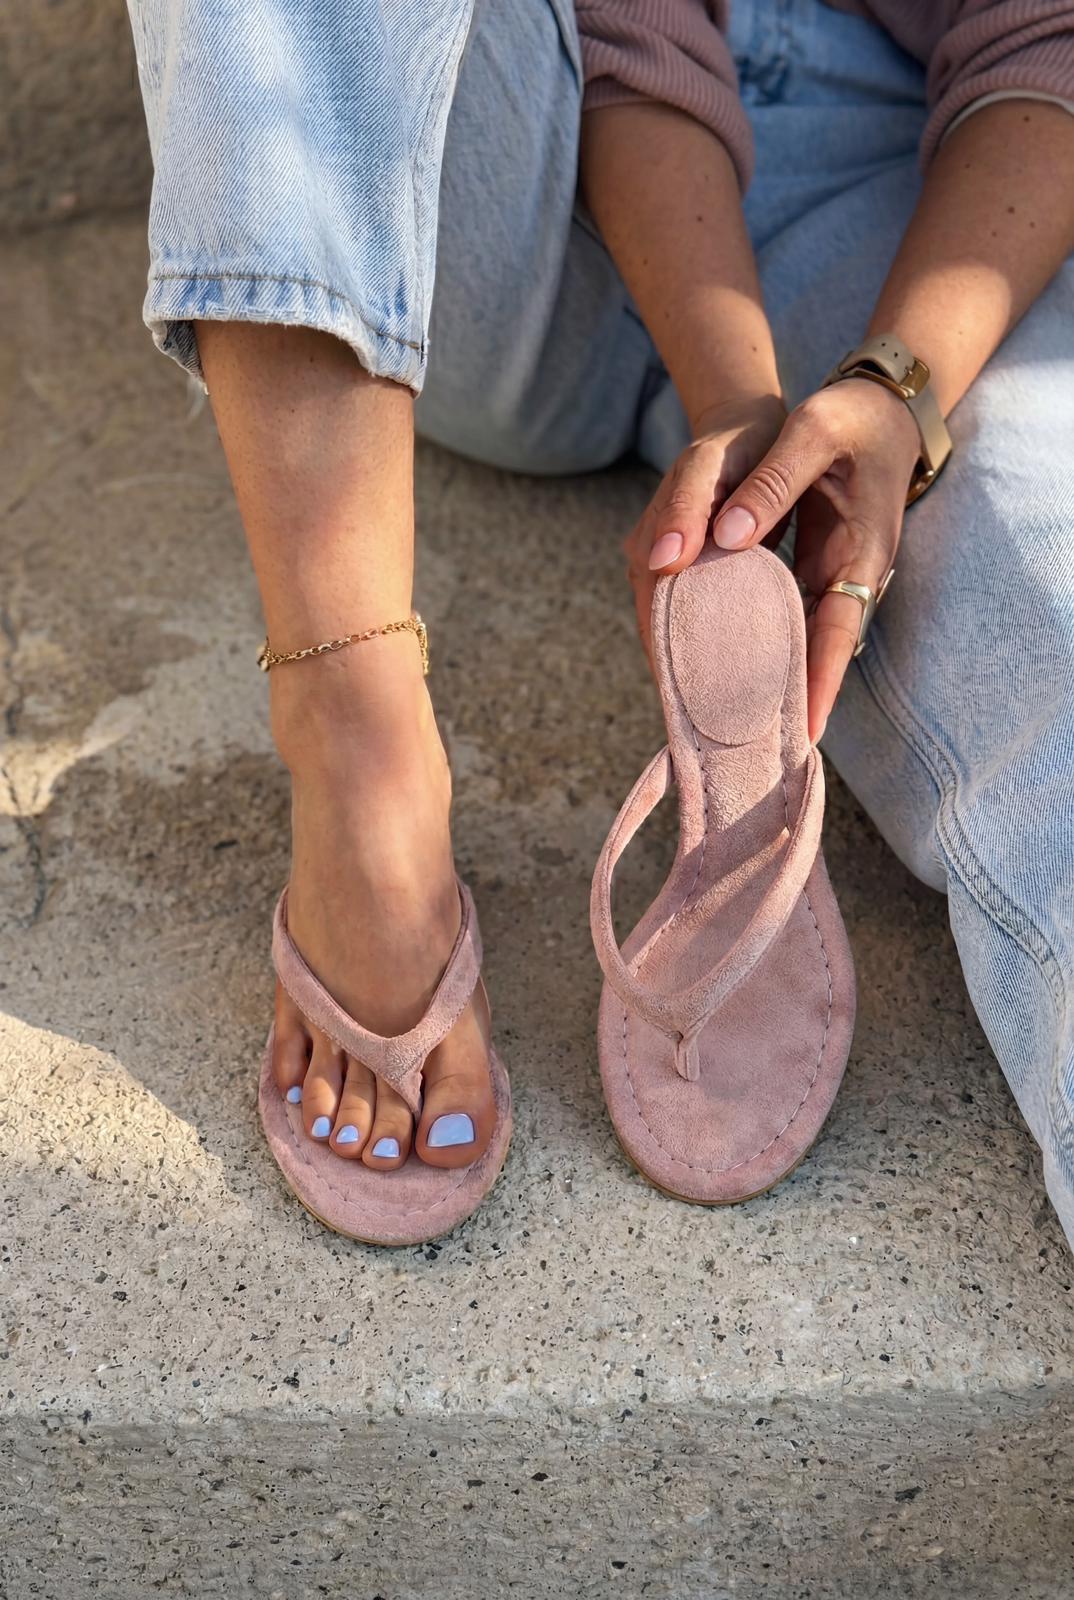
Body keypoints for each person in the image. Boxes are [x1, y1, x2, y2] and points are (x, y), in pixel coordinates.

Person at [124, 0, 1074, 1240]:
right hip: (513, 138)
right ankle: (355, 731)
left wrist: (902, 387)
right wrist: (728, 386)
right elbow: (637, 32)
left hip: (942, 199)